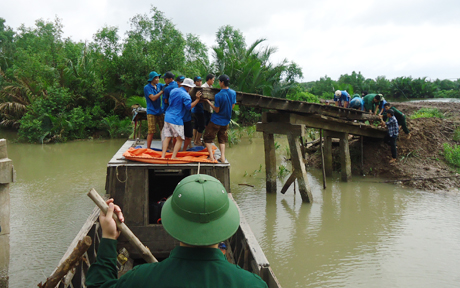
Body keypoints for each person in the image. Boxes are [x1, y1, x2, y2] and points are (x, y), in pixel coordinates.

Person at [85, 174, 268, 288]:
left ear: (171, 221)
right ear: (226, 225)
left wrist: (108, 238)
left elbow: (98, 285)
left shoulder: (140, 279)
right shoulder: (251, 284)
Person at [161, 78, 201, 159]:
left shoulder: (173, 90)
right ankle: (173, 157)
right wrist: (197, 100)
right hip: (176, 118)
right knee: (180, 139)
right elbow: (189, 107)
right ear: (189, 87)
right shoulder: (186, 95)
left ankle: (162, 156)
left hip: (167, 116)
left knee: (167, 137)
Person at [203, 75, 236, 163]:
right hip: (226, 121)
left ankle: (211, 157)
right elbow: (233, 106)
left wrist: (208, 102)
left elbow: (217, 110)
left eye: (219, 82)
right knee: (222, 139)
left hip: (216, 120)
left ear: (222, 82)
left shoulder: (218, 95)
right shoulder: (233, 93)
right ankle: (222, 157)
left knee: (207, 138)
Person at [144, 71, 165, 149]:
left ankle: (165, 146)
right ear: (151, 79)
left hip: (159, 111)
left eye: (158, 77)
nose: (157, 79)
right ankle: (148, 148)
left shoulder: (159, 85)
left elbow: (167, 86)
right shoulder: (147, 87)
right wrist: (162, 92)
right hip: (151, 112)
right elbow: (153, 98)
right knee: (151, 131)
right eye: (155, 78)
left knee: (163, 130)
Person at [192, 76, 205, 146]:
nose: (200, 82)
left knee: (196, 125)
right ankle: (197, 140)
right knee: (202, 126)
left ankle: (195, 140)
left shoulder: (194, 89)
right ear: (195, 82)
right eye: (198, 81)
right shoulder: (197, 90)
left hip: (194, 110)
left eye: (200, 81)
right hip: (198, 110)